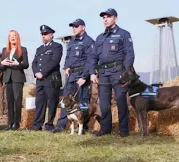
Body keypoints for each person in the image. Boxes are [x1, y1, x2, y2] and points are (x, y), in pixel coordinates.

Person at [87, 8, 135, 137]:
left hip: (118, 72)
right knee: (103, 103)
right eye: (103, 17)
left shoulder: (124, 34)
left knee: (120, 101)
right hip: (103, 73)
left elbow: (129, 54)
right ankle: (105, 128)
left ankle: (124, 130)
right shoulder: (100, 37)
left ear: (115, 18)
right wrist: (92, 73)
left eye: (108, 16)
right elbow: (92, 57)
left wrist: (125, 72)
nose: (105, 19)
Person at [52, 19, 95, 134]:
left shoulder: (89, 41)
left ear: (83, 27)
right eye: (73, 27)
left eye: (76, 26)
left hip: (82, 75)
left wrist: (85, 77)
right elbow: (68, 57)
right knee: (66, 101)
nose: (74, 28)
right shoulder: (71, 41)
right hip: (71, 76)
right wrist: (66, 67)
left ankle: (83, 127)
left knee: (83, 103)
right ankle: (61, 126)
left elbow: (91, 61)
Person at [31, 25, 63, 131]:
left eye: (45, 34)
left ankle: (49, 124)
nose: (43, 36)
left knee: (52, 102)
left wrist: (43, 73)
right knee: (39, 102)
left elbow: (54, 61)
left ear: (51, 35)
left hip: (51, 79)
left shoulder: (57, 47)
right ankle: (37, 125)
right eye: (42, 34)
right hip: (40, 80)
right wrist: (36, 72)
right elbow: (34, 62)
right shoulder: (39, 49)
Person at [0, 30, 29, 130]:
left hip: (18, 77)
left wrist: (18, 64)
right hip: (7, 78)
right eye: (10, 36)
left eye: (14, 36)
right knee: (9, 101)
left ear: (17, 38)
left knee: (17, 100)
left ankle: (16, 123)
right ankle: (10, 123)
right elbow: (0, 66)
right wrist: (2, 63)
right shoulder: (4, 50)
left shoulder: (23, 49)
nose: (12, 38)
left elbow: (26, 64)